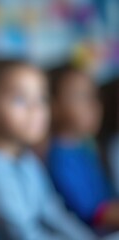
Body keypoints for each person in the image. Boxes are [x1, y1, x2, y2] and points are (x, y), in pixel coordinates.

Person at [0, 60, 96, 240]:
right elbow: (22, 234)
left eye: (41, 98)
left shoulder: (28, 161)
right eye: (20, 99)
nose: (35, 109)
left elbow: (55, 214)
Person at [47, 65, 119, 232]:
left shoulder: (87, 147)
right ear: (54, 105)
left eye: (94, 96)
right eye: (81, 96)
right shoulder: (60, 157)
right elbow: (95, 212)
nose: (93, 105)